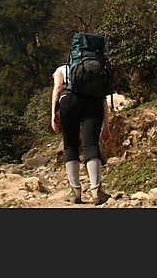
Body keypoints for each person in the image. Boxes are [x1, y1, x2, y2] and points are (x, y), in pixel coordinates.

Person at [51, 61, 111, 205]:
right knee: (91, 145)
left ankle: (75, 192)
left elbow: (58, 88)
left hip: (68, 101)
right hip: (94, 103)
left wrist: (53, 114)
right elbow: (103, 98)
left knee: (70, 145)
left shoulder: (62, 69)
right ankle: (96, 191)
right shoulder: (96, 68)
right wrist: (106, 125)